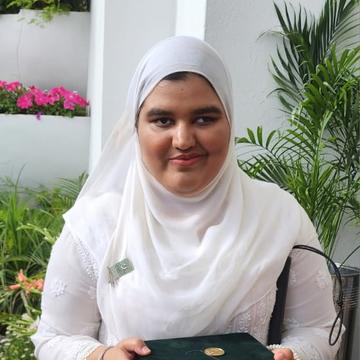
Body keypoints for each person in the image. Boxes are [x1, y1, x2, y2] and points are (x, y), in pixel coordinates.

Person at [32, 36, 341, 360]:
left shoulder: (279, 217)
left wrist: (294, 354)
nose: (183, 140)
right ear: (137, 126)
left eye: (204, 119)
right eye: (163, 120)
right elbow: (54, 339)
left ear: (230, 121)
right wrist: (102, 356)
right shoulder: (97, 226)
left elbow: (320, 329)